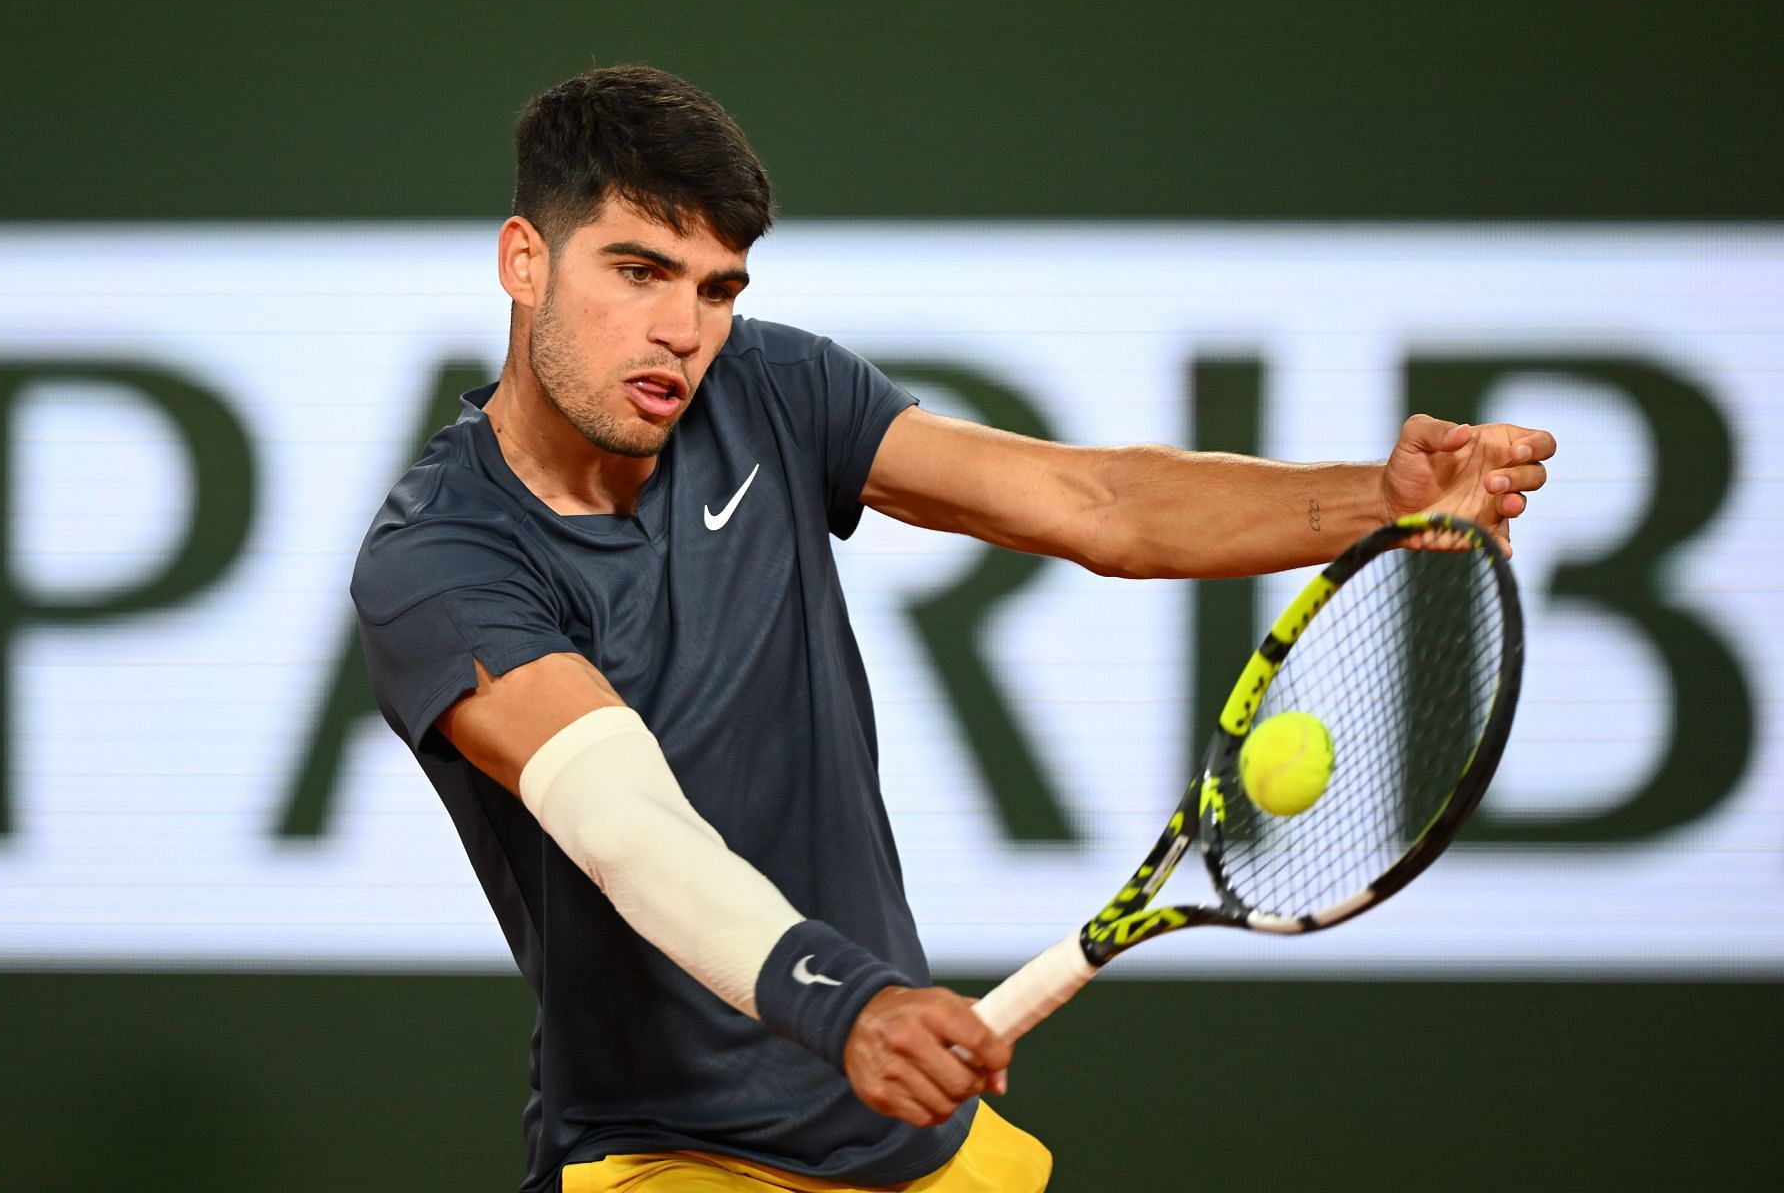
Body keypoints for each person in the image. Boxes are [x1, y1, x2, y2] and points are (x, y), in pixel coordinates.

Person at [352, 65, 1554, 1193]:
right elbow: (628, 825)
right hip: (674, 1156)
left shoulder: (769, 389)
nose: (684, 328)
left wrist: (1375, 499)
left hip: (923, 1143)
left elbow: (1097, 501)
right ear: (524, 260)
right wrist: (844, 1003)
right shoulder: (441, 561)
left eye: (718, 288)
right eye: (638, 271)